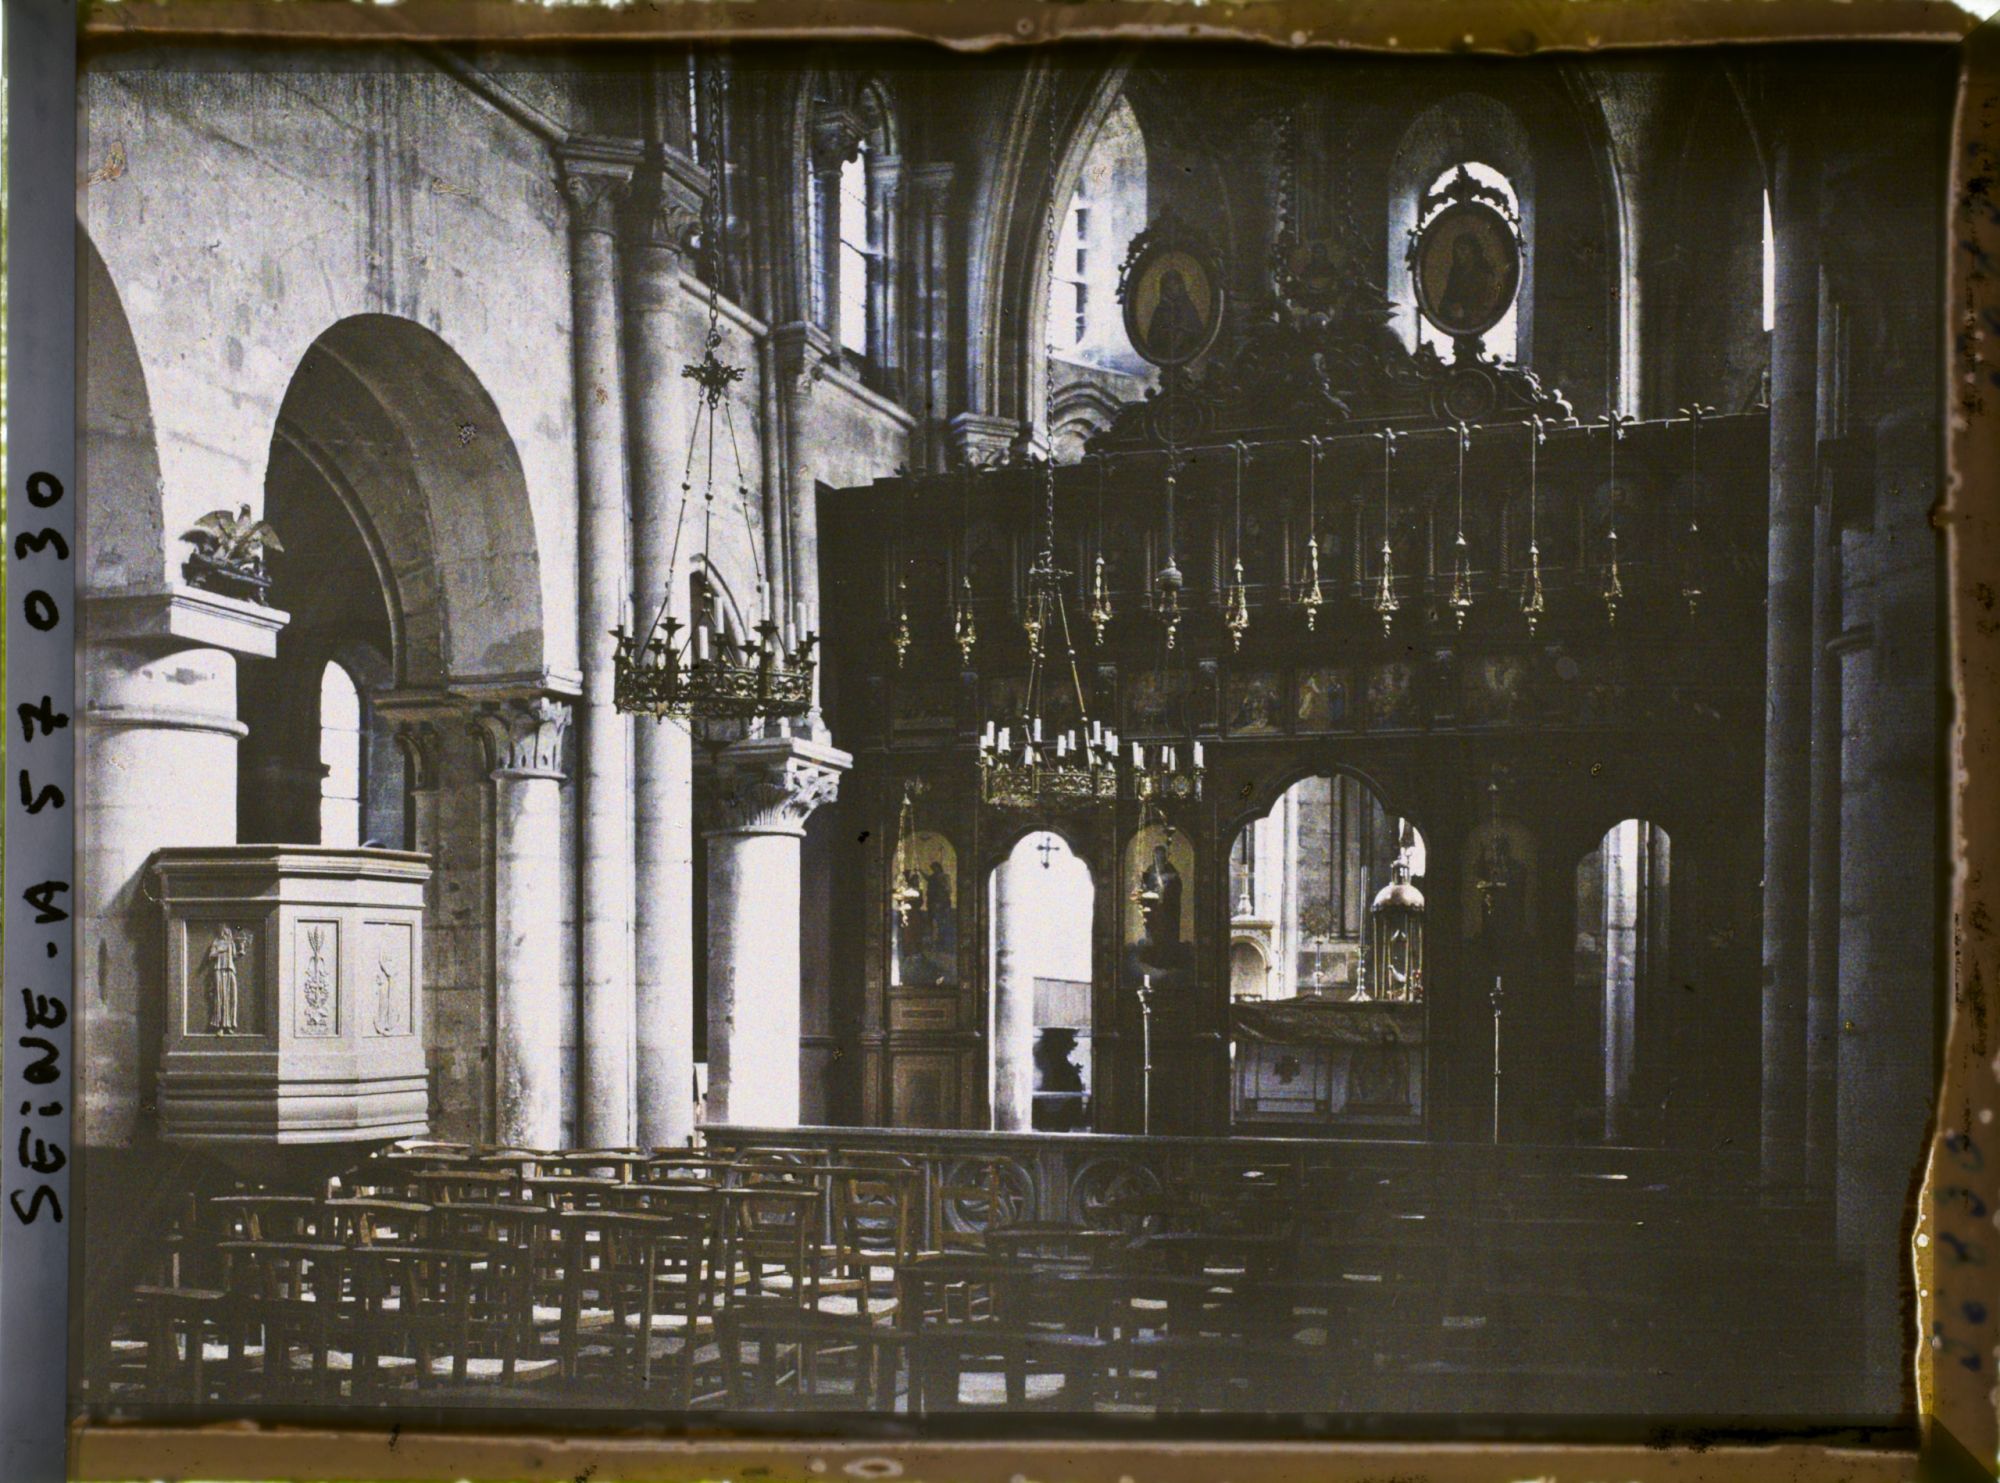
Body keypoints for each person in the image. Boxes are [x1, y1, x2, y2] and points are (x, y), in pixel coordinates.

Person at [1437, 229, 1498, 330]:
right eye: (1456, 250)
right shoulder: (1455, 274)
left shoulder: (1485, 276)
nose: (1459, 254)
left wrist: (1465, 313)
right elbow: (1445, 302)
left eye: (1463, 249)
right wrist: (1449, 308)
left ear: (1473, 251)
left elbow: (1489, 307)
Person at [1145, 265, 1206, 362]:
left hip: (1185, 351)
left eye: (1174, 285)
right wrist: (1165, 332)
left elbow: (1198, 333)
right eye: (1167, 287)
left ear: (1180, 286)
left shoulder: (1188, 307)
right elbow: (1151, 338)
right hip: (1164, 351)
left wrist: (1182, 331)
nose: (1171, 290)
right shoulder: (1160, 309)